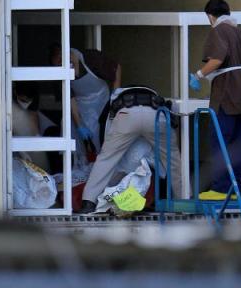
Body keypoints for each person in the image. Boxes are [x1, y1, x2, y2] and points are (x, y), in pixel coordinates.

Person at [189, 0, 241, 201]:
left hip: (226, 97)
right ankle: (235, 189)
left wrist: (199, 75)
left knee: (219, 139)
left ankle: (220, 189)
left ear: (210, 16)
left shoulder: (218, 31)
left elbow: (217, 59)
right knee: (237, 143)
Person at [76, 86, 182, 214]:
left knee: (106, 159)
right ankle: (184, 198)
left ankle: (88, 202)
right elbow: (173, 124)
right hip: (154, 114)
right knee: (173, 159)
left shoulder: (115, 97)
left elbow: (105, 126)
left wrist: (105, 150)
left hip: (125, 114)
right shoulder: (154, 95)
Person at [49, 44, 121, 174]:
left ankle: (106, 169)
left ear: (69, 55)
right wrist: (80, 125)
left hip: (102, 99)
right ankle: (81, 166)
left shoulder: (91, 58)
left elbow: (116, 68)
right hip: (80, 103)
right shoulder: (60, 72)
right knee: (70, 127)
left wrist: (115, 98)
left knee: (102, 131)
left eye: (62, 62)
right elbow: (70, 100)